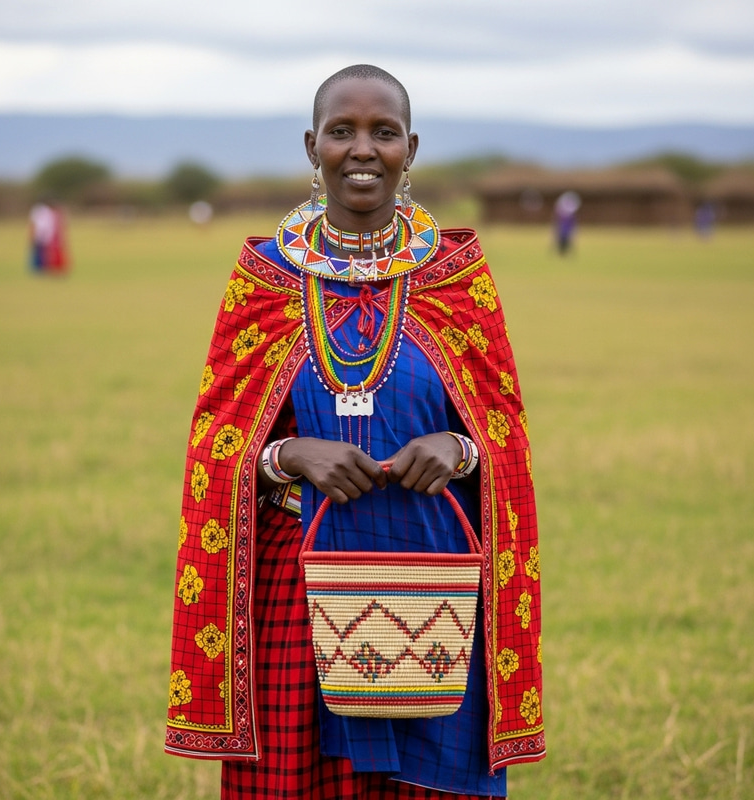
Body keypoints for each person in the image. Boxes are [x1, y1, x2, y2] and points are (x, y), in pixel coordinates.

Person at [166, 64, 544, 799]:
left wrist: (458, 449)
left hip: (432, 586)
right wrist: (288, 454)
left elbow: (505, 437)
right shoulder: (265, 278)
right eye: (343, 132)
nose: (362, 149)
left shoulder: (456, 278)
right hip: (295, 584)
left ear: (412, 148)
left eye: (383, 132)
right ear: (314, 147)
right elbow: (216, 443)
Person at [28, 198, 70, 274]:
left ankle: (43, 267)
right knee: (42, 251)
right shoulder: (48, 212)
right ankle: (42, 267)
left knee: (42, 251)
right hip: (47, 233)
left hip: (47, 233)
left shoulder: (44, 211)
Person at [553, 190, 580, 255]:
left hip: (567, 232)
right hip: (563, 231)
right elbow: (558, 223)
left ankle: (565, 253)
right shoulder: (562, 215)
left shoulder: (571, 216)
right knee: (562, 244)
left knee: (567, 243)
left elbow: (573, 224)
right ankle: (562, 253)